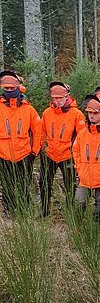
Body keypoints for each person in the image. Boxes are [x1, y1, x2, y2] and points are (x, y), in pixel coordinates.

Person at [40, 82, 85, 217]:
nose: (58, 101)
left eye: (60, 98)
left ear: (67, 97)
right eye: (55, 98)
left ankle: (70, 211)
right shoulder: (47, 113)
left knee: (69, 185)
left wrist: (74, 153)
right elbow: (41, 132)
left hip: (68, 156)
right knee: (44, 182)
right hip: (50, 154)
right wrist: (43, 147)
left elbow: (82, 136)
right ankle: (44, 210)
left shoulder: (77, 114)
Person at [0, 70, 42, 216]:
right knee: (7, 185)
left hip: (24, 154)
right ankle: (8, 210)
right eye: (7, 89)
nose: (10, 91)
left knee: (24, 184)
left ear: (19, 87)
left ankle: (24, 210)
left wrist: (34, 152)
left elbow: (38, 132)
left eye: (12, 88)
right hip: (3, 154)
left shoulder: (29, 109)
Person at [72, 95, 100, 222]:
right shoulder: (83, 133)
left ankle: (97, 231)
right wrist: (79, 167)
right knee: (78, 204)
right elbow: (75, 150)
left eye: (94, 113)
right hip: (84, 178)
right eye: (89, 113)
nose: (91, 116)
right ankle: (78, 230)